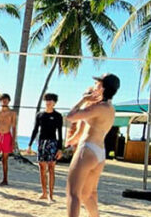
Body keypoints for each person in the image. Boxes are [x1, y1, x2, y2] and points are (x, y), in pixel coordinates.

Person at [65, 74, 120, 217]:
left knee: (73, 193)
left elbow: (70, 116)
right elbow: (82, 129)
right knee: (87, 194)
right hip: (100, 153)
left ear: (102, 87)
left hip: (88, 149)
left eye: (97, 83)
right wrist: (71, 140)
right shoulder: (110, 108)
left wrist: (83, 99)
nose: (94, 85)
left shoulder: (99, 108)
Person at [26, 92, 63, 202]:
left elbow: (60, 133)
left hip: (52, 143)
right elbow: (35, 130)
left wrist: (60, 149)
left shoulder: (58, 116)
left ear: (54, 103)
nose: (48, 102)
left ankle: (51, 195)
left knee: (51, 168)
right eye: (47, 100)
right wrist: (29, 145)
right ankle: (44, 193)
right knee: (42, 168)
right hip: (41, 143)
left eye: (51, 100)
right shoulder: (40, 115)